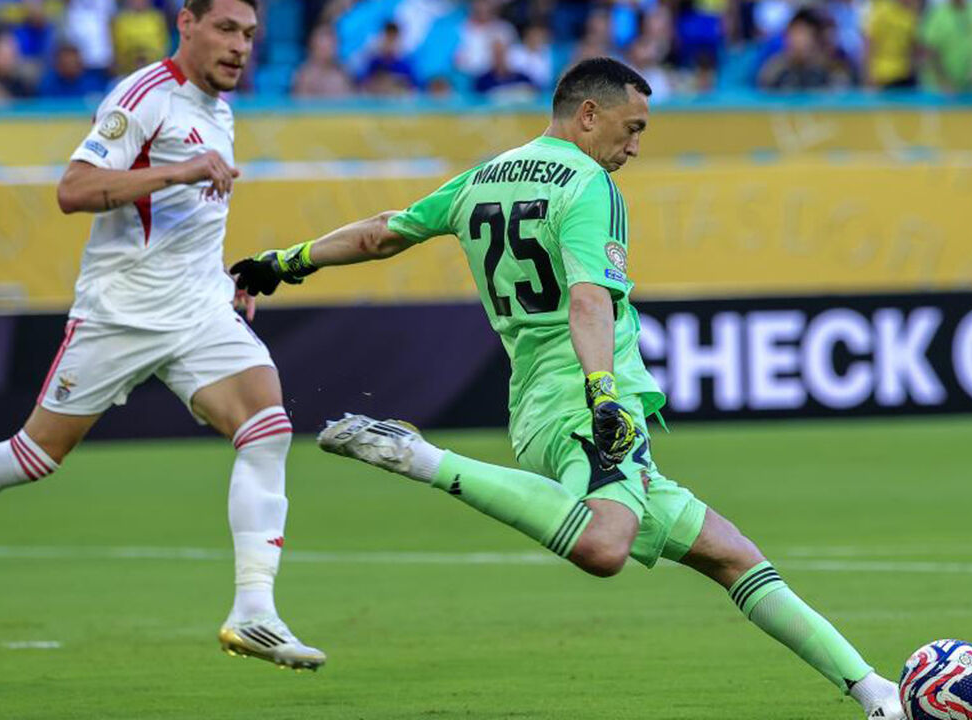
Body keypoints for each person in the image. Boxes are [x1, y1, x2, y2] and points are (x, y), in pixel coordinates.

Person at [231, 57, 904, 719]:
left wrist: (282, 263)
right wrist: (604, 392)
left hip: (535, 407)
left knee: (731, 556)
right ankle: (421, 457)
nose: (635, 146)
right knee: (605, 546)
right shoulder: (589, 186)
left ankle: (875, 695)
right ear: (589, 113)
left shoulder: (484, 178)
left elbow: (383, 234)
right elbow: (590, 301)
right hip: (591, 402)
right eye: (631, 128)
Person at [0, 0, 325, 673]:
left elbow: (187, 220)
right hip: (119, 314)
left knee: (268, 428)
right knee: (33, 456)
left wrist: (223, 282)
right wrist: (177, 170)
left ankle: (253, 612)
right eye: (227, 29)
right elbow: (74, 188)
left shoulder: (220, 111)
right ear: (188, 23)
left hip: (198, 310)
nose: (241, 47)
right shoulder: (143, 97)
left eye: (251, 35)